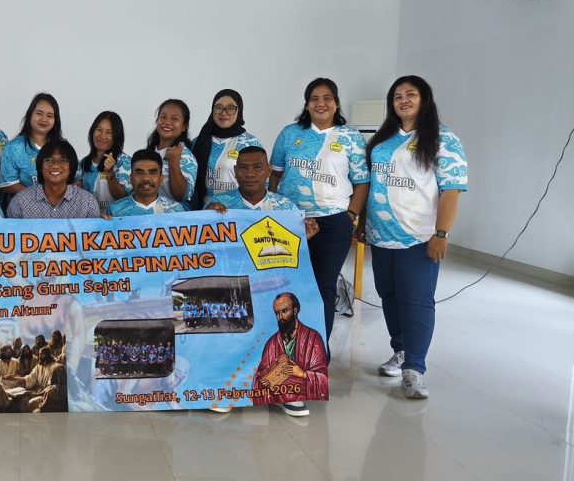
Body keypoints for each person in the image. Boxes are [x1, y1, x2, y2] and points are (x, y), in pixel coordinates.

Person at [358, 75, 467, 400]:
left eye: (411, 94)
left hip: (418, 238)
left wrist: (441, 233)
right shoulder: (382, 141)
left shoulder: (444, 140)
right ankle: (401, 351)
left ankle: (415, 369)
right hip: (381, 237)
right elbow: (371, 185)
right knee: (389, 296)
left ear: (425, 100)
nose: (403, 100)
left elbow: (451, 191)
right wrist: (363, 222)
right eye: (397, 96)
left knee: (416, 301)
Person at [270, 78, 370, 344]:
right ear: (307, 105)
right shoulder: (290, 134)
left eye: (327, 98)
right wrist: (276, 212)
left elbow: (362, 182)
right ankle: (287, 348)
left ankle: (318, 351)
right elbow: (275, 175)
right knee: (288, 287)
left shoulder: (350, 138)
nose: (320, 103)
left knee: (323, 286)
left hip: (334, 222)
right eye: (314, 98)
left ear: (336, 103)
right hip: (290, 221)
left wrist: (351, 215)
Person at [253, 292, 329, 417]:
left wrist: (303, 373)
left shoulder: (313, 338)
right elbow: (260, 376)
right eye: (277, 313)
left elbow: (323, 377)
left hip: (301, 388)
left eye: (285, 311)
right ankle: (282, 398)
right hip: (277, 391)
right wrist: (265, 379)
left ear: (295, 310)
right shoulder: (272, 343)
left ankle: (291, 398)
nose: (280, 317)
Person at [191, 89, 265, 209]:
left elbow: (261, 180)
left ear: (239, 111)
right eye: (218, 107)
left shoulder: (250, 143)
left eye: (231, 108)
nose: (223, 113)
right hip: (204, 210)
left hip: (238, 210)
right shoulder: (198, 142)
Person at [6, 139, 100, 219]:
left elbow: (96, 232)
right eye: (49, 160)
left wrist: (103, 224)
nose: (55, 166)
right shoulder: (20, 202)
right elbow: (9, 233)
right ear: (40, 166)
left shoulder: (87, 203)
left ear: (71, 168)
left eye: (63, 161)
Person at [0, 93, 62, 196]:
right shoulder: (14, 147)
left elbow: (76, 180)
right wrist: (38, 196)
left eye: (49, 116)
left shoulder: (63, 148)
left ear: (55, 120)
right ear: (30, 115)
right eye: (39, 113)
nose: (44, 119)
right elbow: (7, 185)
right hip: (23, 205)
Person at [146, 99, 198, 208]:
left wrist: (174, 163)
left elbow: (181, 195)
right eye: (163, 117)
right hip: (148, 214)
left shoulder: (186, 156)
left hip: (174, 216)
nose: (167, 122)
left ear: (184, 126)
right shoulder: (149, 151)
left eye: (174, 119)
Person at [78, 111, 130, 213]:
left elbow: (123, 197)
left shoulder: (124, 161)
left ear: (117, 136)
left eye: (109, 132)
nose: (102, 136)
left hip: (116, 220)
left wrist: (110, 174)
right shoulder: (84, 162)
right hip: (91, 219)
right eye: (99, 130)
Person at [108, 149, 185, 216]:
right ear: (131, 178)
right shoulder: (115, 210)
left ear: (161, 178)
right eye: (139, 173)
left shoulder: (176, 210)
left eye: (153, 172)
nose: (146, 178)